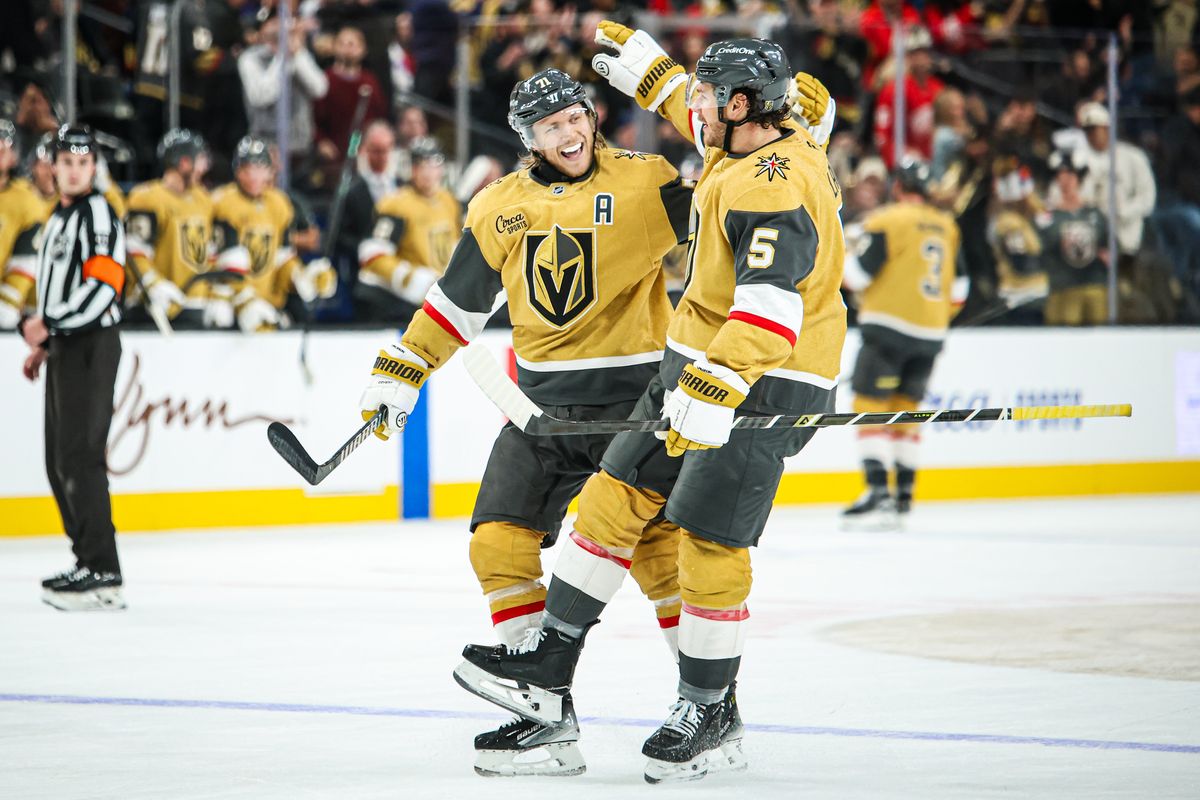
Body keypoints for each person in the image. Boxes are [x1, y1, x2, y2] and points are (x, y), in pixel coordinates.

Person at [453, 28, 845, 783]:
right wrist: (660, 73)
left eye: (701, 92)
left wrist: (716, 385)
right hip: (699, 368)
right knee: (611, 497)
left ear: (740, 106)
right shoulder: (745, 148)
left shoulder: (771, 179)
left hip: (761, 376)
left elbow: (770, 310)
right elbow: (703, 115)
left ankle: (709, 707)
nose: (686, 104)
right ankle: (547, 669)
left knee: (704, 542)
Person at [355, 67, 693, 776]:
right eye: (549, 127)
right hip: (540, 410)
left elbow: (731, 208)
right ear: (527, 138)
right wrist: (404, 367)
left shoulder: (648, 178)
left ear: (592, 115)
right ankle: (542, 714)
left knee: (662, 559)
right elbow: (457, 307)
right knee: (497, 543)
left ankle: (706, 703)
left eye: (573, 118)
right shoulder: (497, 206)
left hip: (635, 406)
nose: (566, 133)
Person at [20, 125, 126, 611]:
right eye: (67, 161)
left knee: (81, 456)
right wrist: (48, 342)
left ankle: (104, 570)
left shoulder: (99, 212)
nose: (75, 170)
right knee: (57, 459)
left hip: (92, 344)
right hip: (67, 345)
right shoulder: (57, 218)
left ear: (93, 166)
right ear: (53, 166)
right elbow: (59, 288)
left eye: (83, 163)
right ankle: (86, 559)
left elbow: (106, 285)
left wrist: (51, 325)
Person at [840, 159, 966, 529]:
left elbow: (858, 276)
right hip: (932, 334)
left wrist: (843, 256)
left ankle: (878, 493)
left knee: (870, 406)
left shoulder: (887, 220)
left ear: (897, 189)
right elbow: (959, 292)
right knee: (906, 410)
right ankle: (904, 497)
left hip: (886, 328)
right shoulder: (947, 227)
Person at [209, 136, 337, 332]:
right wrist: (246, 302)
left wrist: (302, 277)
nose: (253, 176)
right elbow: (226, 263)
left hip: (266, 298)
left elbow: (283, 257)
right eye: (247, 168)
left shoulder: (279, 203)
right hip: (230, 300)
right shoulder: (224, 202)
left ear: (270, 171)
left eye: (259, 168)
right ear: (237, 170)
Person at [356, 139, 459, 318]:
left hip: (442, 297)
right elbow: (372, 255)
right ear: (412, 169)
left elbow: (458, 246)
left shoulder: (449, 201)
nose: (427, 172)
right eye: (420, 165)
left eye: (432, 164)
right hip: (406, 301)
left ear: (442, 168)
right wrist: (412, 279)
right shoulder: (396, 204)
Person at [124, 129, 214, 328]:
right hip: (155, 307)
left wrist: (217, 296)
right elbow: (134, 252)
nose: (204, 167)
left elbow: (208, 252)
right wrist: (152, 284)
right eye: (199, 160)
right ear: (184, 163)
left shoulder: (203, 199)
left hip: (193, 305)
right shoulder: (147, 198)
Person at [1039, 148, 1110, 326]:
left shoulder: (1095, 214)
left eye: (1070, 175)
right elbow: (1041, 250)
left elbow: (1110, 247)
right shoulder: (1049, 217)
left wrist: (1108, 256)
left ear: (1078, 178)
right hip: (1063, 285)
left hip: (1094, 283)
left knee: (1100, 334)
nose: (1065, 181)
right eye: (1060, 176)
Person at [0, 120, 46, 330]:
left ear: (14, 155)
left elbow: (25, 261)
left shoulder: (27, 201)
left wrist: (7, 302)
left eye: (4, 145)